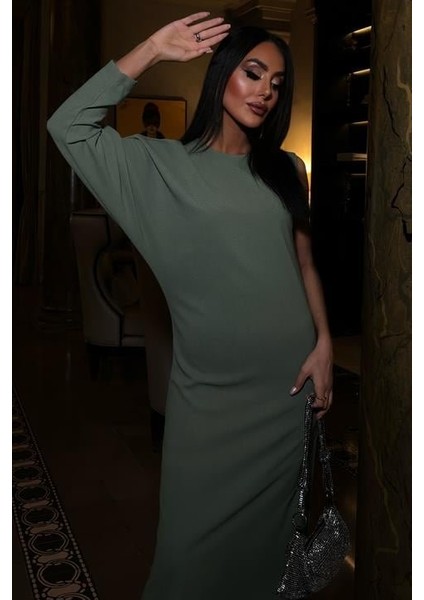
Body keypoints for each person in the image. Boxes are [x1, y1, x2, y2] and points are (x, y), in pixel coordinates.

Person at [47, 11, 333, 600]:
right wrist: (153, 48)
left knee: (267, 561)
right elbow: (67, 126)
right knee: (187, 561)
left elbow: (304, 264)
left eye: (276, 83)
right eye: (253, 73)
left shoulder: (287, 169)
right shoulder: (158, 168)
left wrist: (325, 344)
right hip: (209, 403)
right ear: (222, 71)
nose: (265, 91)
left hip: (285, 395)